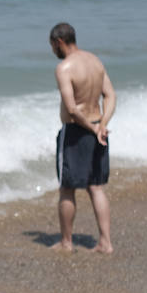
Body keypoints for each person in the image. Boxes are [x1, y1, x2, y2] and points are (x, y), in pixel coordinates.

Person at [49, 22, 116, 254]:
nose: (53, 52)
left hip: (77, 133)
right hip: (99, 129)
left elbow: (72, 109)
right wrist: (102, 126)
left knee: (67, 188)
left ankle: (67, 242)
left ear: (59, 42)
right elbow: (110, 95)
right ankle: (105, 242)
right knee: (96, 187)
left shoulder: (64, 68)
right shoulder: (95, 61)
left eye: (52, 46)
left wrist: (90, 129)